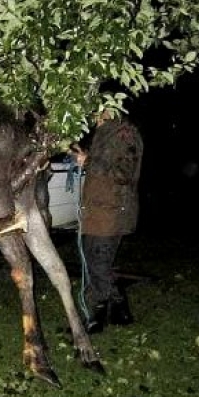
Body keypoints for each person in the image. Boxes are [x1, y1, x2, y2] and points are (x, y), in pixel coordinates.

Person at [75, 111, 144, 333]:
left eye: (98, 107)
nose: (93, 112)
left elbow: (125, 172)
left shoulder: (124, 133)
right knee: (95, 264)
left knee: (99, 265)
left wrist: (89, 162)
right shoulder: (102, 133)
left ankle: (96, 319)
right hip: (96, 212)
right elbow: (104, 165)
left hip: (112, 213)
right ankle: (120, 312)